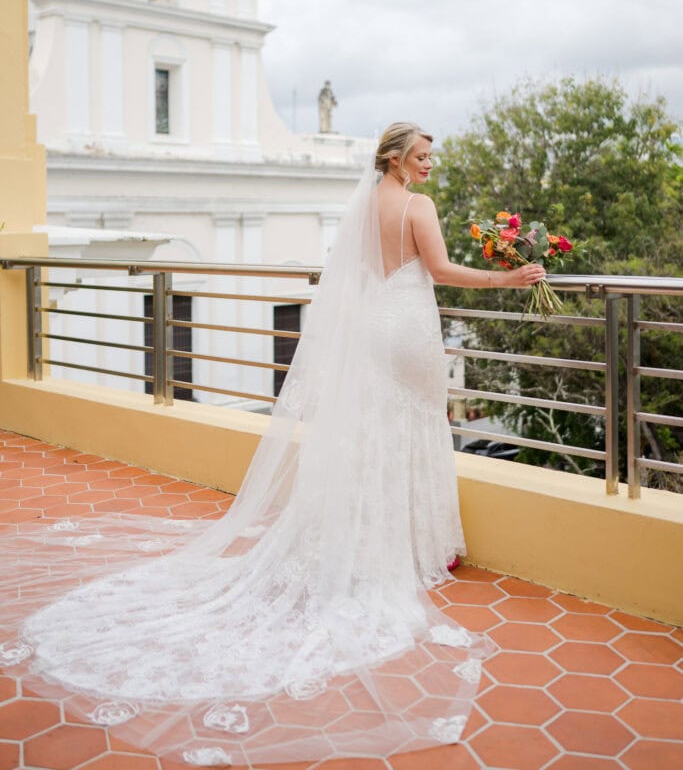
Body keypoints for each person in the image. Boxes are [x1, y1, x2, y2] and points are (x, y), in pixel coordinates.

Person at [0, 122, 544, 767]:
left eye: (431, 157)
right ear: (396, 159)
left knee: (375, 430)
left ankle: (376, 537)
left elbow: (364, 270)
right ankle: (411, 545)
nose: (430, 166)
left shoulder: (366, 201)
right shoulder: (417, 206)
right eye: (421, 157)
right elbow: (443, 270)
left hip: (376, 327)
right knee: (413, 426)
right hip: (409, 329)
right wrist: (509, 280)